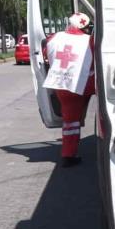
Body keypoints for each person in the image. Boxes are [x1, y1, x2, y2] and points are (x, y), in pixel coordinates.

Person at [42, 13, 95, 167]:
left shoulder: (54, 38)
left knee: (70, 122)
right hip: (82, 83)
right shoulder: (89, 41)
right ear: (84, 27)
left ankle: (68, 153)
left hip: (60, 84)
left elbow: (46, 56)